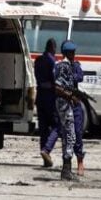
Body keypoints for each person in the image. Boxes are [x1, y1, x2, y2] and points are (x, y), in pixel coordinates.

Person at [54, 40, 80, 181]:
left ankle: (66, 169)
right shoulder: (63, 66)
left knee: (67, 136)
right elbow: (57, 87)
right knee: (70, 136)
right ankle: (66, 169)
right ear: (69, 53)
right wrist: (71, 96)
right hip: (64, 104)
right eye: (72, 52)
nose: (74, 55)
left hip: (63, 103)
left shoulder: (63, 65)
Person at [35, 38, 58, 167]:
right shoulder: (52, 61)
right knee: (56, 125)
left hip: (40, 96)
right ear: (53, 48)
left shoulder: (38, 60)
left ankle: (45, 159)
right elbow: (55, 80)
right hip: (50, 96)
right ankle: (47, 150)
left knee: (43, 128)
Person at [71, 50, 87, 176]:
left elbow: (80, 76)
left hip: (74, 103)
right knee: (66, 136)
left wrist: (71, 76)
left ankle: (80, 161)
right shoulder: (60, 66)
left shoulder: (75, 66)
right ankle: (66, 164)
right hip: (64, 103)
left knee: (78, 133)